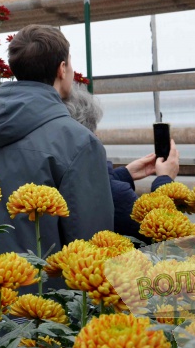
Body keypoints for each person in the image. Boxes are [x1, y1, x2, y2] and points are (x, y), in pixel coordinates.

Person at [0, 25, 115, 266]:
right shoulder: (79, 142)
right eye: (70, 64)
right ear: (62, 69)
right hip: (42, 288)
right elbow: (91, 246)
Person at [63, 84, 180, 242]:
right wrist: (165, 180)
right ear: (92, 136)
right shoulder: (118, 195)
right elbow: (162, 233)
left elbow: (91, 180)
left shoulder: (53, 174)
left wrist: (123, 175)